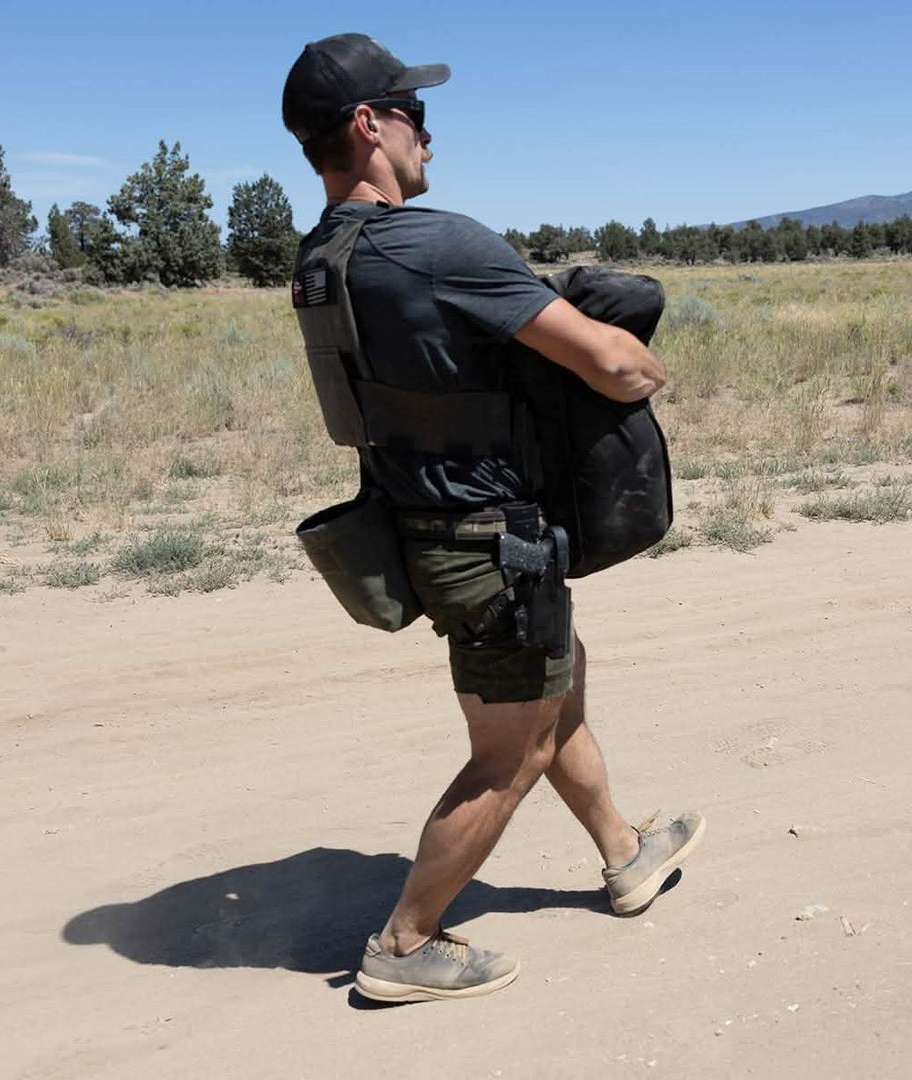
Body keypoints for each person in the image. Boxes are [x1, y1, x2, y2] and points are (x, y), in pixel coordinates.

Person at [281, 33, 705, 1003]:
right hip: (487, 542)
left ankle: (624, 851)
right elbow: (613, 365)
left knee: (555, 688)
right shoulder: (435, 244)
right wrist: (639, 361)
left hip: (419, 527)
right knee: (508, 753)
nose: (428, 132)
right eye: (412, 111)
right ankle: (405, 943)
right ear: (368, 125)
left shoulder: (322, 262)